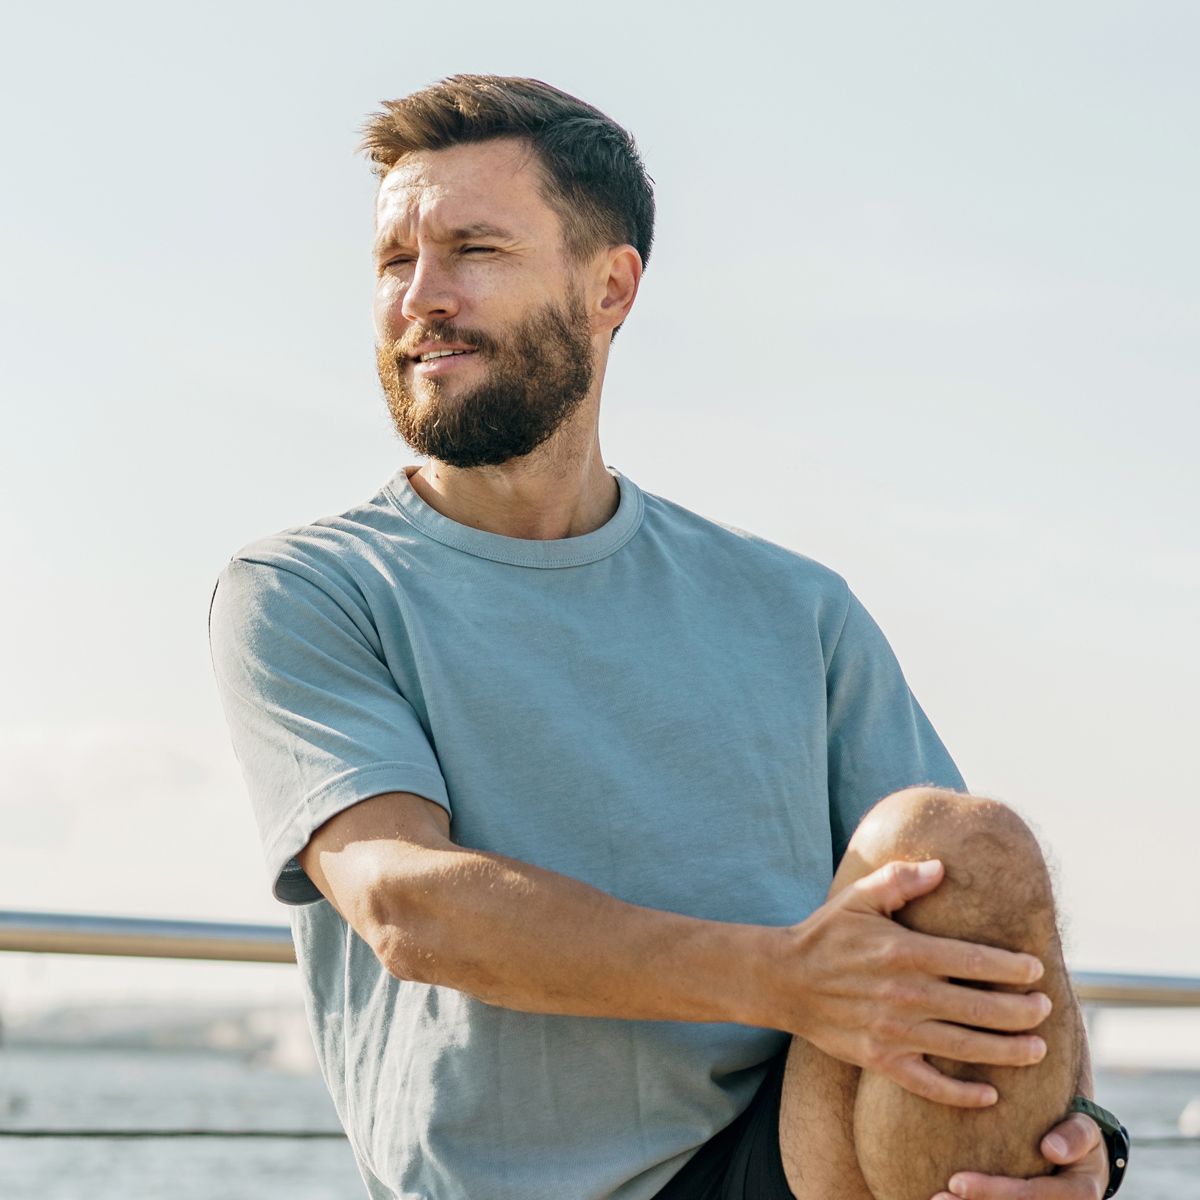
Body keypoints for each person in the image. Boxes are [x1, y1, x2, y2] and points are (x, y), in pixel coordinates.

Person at [208, 75, 1126, 1200]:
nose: (422, 297)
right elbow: (407, 902)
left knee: (962, 840)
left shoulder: (794, 607)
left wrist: (1084, 1138)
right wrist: (784, 980)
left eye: (474, 250)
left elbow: (983, 929)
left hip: (786, 1146)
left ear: (610, 287)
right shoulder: (307, 589)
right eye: (395, 262)